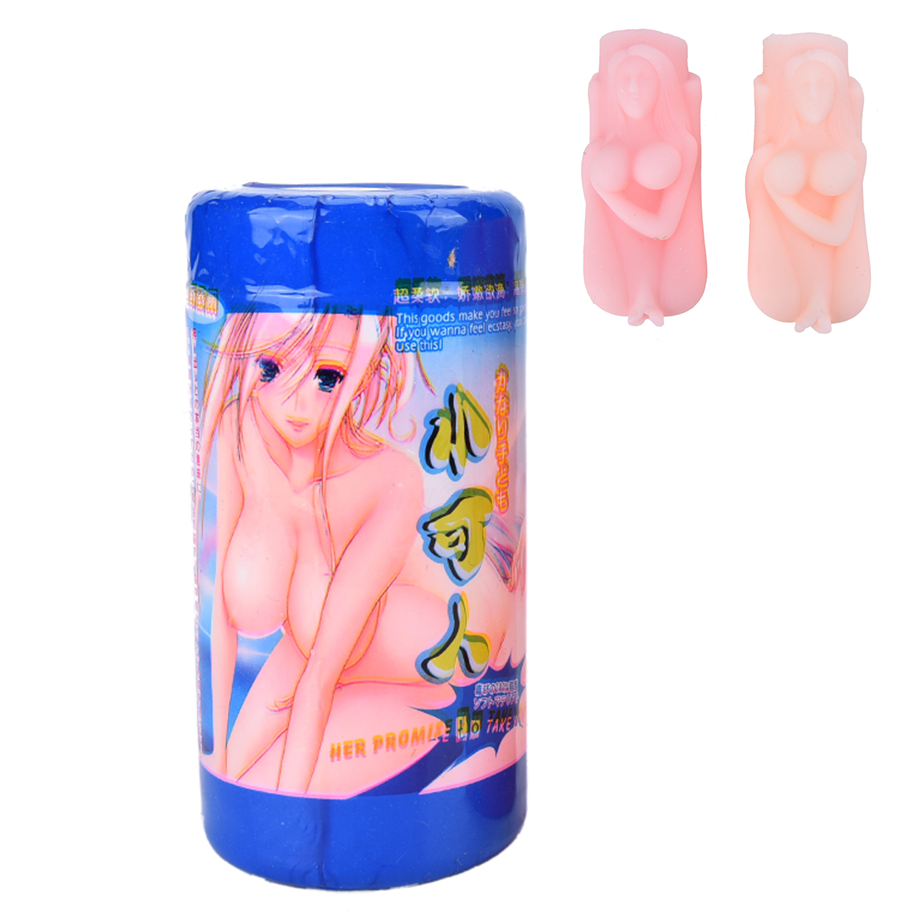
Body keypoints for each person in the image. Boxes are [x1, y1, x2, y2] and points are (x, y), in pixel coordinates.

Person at [197, 308, 522, 796]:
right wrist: (216, 762)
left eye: (327, 377)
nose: (296, 403)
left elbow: (321, 675)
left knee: (277, 786)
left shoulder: (387, 479)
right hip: (330, 642)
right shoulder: (242, 429)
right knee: (235, 772)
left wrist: (294, 822)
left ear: (362, 371)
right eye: (271, 367)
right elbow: (221, 619)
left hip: (455, 657)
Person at [746, 40, 869, 332]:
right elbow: (756, 207)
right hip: (782, 258)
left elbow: (839, 232)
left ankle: (820, 298)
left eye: (823, 85)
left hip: (834, 274)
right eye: (804, 86)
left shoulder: (852, 150)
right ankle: (814, 298)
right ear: (789, 94)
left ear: (838, 92)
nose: (813, 95)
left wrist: (783, 200)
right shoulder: (773, 150)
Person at [583, 34, 705, 326]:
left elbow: (664, 227)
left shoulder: (682, 144)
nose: (633, 89)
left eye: (644, 79)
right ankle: (641, 292)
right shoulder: (601, 147)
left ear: (663, 84)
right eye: (624, 80)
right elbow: (597, 212)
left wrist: (607, 193)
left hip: (669, 262)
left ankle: (647, 292)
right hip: (614, 258)